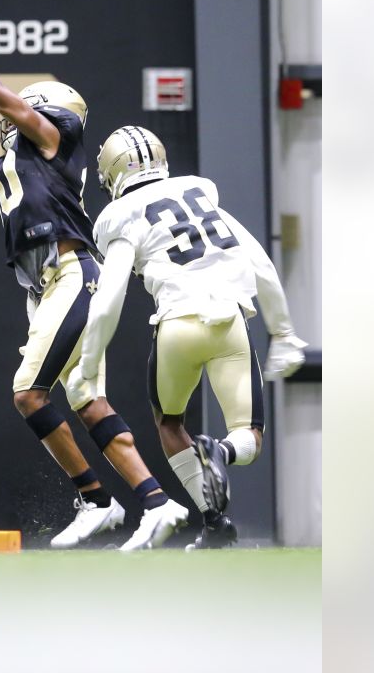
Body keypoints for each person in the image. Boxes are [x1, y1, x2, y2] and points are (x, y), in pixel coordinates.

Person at [0, 15, 188, 550]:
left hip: (74, 274)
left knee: (29, 394)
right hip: (45, 288)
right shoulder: (5, 170)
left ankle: (98, 500)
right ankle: (157, 503)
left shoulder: (54, 139)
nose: (16, 119)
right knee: (86, 399)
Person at [69, 125, 307, 549]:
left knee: (169, 422)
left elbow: (108, 299)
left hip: (176, 326)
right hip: (230, 322)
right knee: (248, 435)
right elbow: (261, 264)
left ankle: (215, 522)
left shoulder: (119, 216)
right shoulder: (200, 194)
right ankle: (221, 455)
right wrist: (284, 333)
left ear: (113, 171)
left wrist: (88, 364)